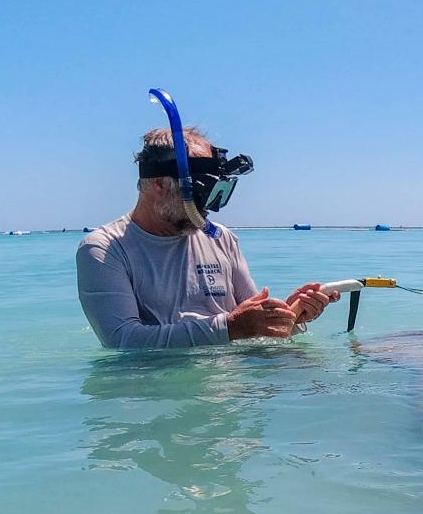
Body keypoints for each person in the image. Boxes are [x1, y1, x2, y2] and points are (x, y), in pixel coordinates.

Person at [77, 126, 333, 349]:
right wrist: (229, 327)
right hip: (161, 392)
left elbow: (251, 326)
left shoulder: (221, 238)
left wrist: (288, 316)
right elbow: (122, 340)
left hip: (232, 386)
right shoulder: (105, 248)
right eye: (199, 193)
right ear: (158, 183)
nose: (208, 207)